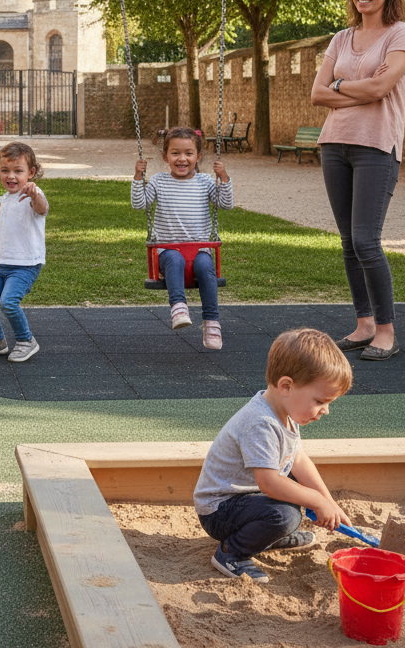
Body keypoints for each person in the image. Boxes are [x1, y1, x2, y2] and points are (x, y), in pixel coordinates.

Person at [311, 0, 405, 361]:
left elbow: (381, 90)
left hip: (377, 146)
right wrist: (351, 84)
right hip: (334, 144)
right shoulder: (341, 38)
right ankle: (364, 324)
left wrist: (339, 85)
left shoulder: (401, 35)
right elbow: (316, 94)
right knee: (347, 242)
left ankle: (386, 330)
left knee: (365, 240)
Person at [194, 328, 355, 583]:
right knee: (286, 515)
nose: (325, 411)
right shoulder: (261, 422)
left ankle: (268, 537)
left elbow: (298, 459)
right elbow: (268, 483)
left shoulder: (286, 412)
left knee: (294, 498)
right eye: (320, 401)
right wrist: (315, 500)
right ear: (286, 386)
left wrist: (327, 500)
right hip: (219, 510)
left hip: (245, 499)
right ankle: (231, 553)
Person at [133, 127, 233, 349]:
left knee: (207, 268)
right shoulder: (159, 181)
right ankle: (178, 307)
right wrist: (138, 176)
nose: (182, 159)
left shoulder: (206, 181)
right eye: (175, 153)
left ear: (198, 157)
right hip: (168, 252)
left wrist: (223, 178)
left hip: (199, 250)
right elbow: (139, 204)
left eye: (188, 153)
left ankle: (211, 322)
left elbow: (225, 204)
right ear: (165, 156)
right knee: (175, 260)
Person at [0, 141, 48, 363]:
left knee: (8, 302)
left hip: (25, 264)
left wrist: (35, 194)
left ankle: (26, 341)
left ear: (31, 173)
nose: (11, 176)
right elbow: (4, 215)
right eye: (5, 171)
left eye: (18, 171)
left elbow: (42, 209)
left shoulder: (33, 194)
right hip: (1, 263)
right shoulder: (7, 198)